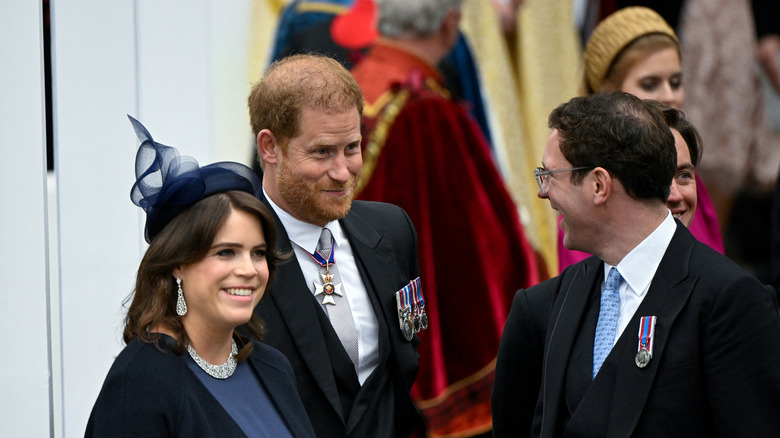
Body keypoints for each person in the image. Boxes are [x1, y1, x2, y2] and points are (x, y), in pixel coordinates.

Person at [492, 91, 780, 437]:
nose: (543, 192)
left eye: (550, 174)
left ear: (599, 185)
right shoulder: (544, 307)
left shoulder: (729, 301)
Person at [349, 0, 540, 435]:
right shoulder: (422, 111)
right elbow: (468, 242)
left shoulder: (357, 85)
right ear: (450, 24)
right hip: (425, 342)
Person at [86, 117, 316, 437]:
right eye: (226, 252)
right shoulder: (141, 380)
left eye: (258, 253)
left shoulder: (273, 367)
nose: (249, 270)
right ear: (177, 262)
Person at [247, 54, 423, 438]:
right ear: (269, 147)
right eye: (322, 152)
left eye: (352, 147)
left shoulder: (393, 229)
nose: (343, 172)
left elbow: (406, 351)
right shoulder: (234, 257)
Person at [558, 6, 723, 272]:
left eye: (676, 81)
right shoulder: (590, 191)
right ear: (608, 92)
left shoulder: (690, 178)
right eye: (650, 84)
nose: (670, 96)